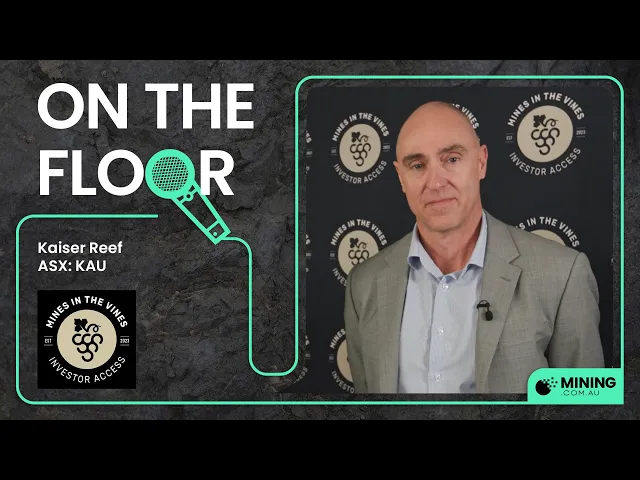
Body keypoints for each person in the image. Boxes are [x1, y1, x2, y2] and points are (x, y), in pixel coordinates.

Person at [343, 100, 605, 394]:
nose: (435, 182)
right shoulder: (363, 284)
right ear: (400, 177)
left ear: (481, 162)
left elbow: (589, 403)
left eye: (452, 159)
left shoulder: (562, 274)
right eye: (417, 165)